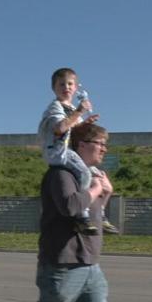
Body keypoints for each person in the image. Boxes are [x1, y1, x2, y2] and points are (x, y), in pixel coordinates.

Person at [4, 123, 152, 302]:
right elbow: (71, 206)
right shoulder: (62, 173)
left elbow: (92, 213)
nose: (104, 149)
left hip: (89, 266)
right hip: (64, 265)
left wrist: (104, 193)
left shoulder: (88, 176)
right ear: (81, 144)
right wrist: (96, 189)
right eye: (100, 144)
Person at [39, 68, 118, 235]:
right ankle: (82, 216)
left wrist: (85, 122)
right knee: (85, 174)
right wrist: (80, 112)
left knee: (100, 178)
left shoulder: (72, 108)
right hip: (58, 152)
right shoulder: (56, 108)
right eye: (61, 84)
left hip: (69, 151)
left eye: (70, 84)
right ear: (54, 88)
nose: (66, 87)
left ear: (76, 88)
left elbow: (75, 130)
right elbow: (60, 128)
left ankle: (100, 215)